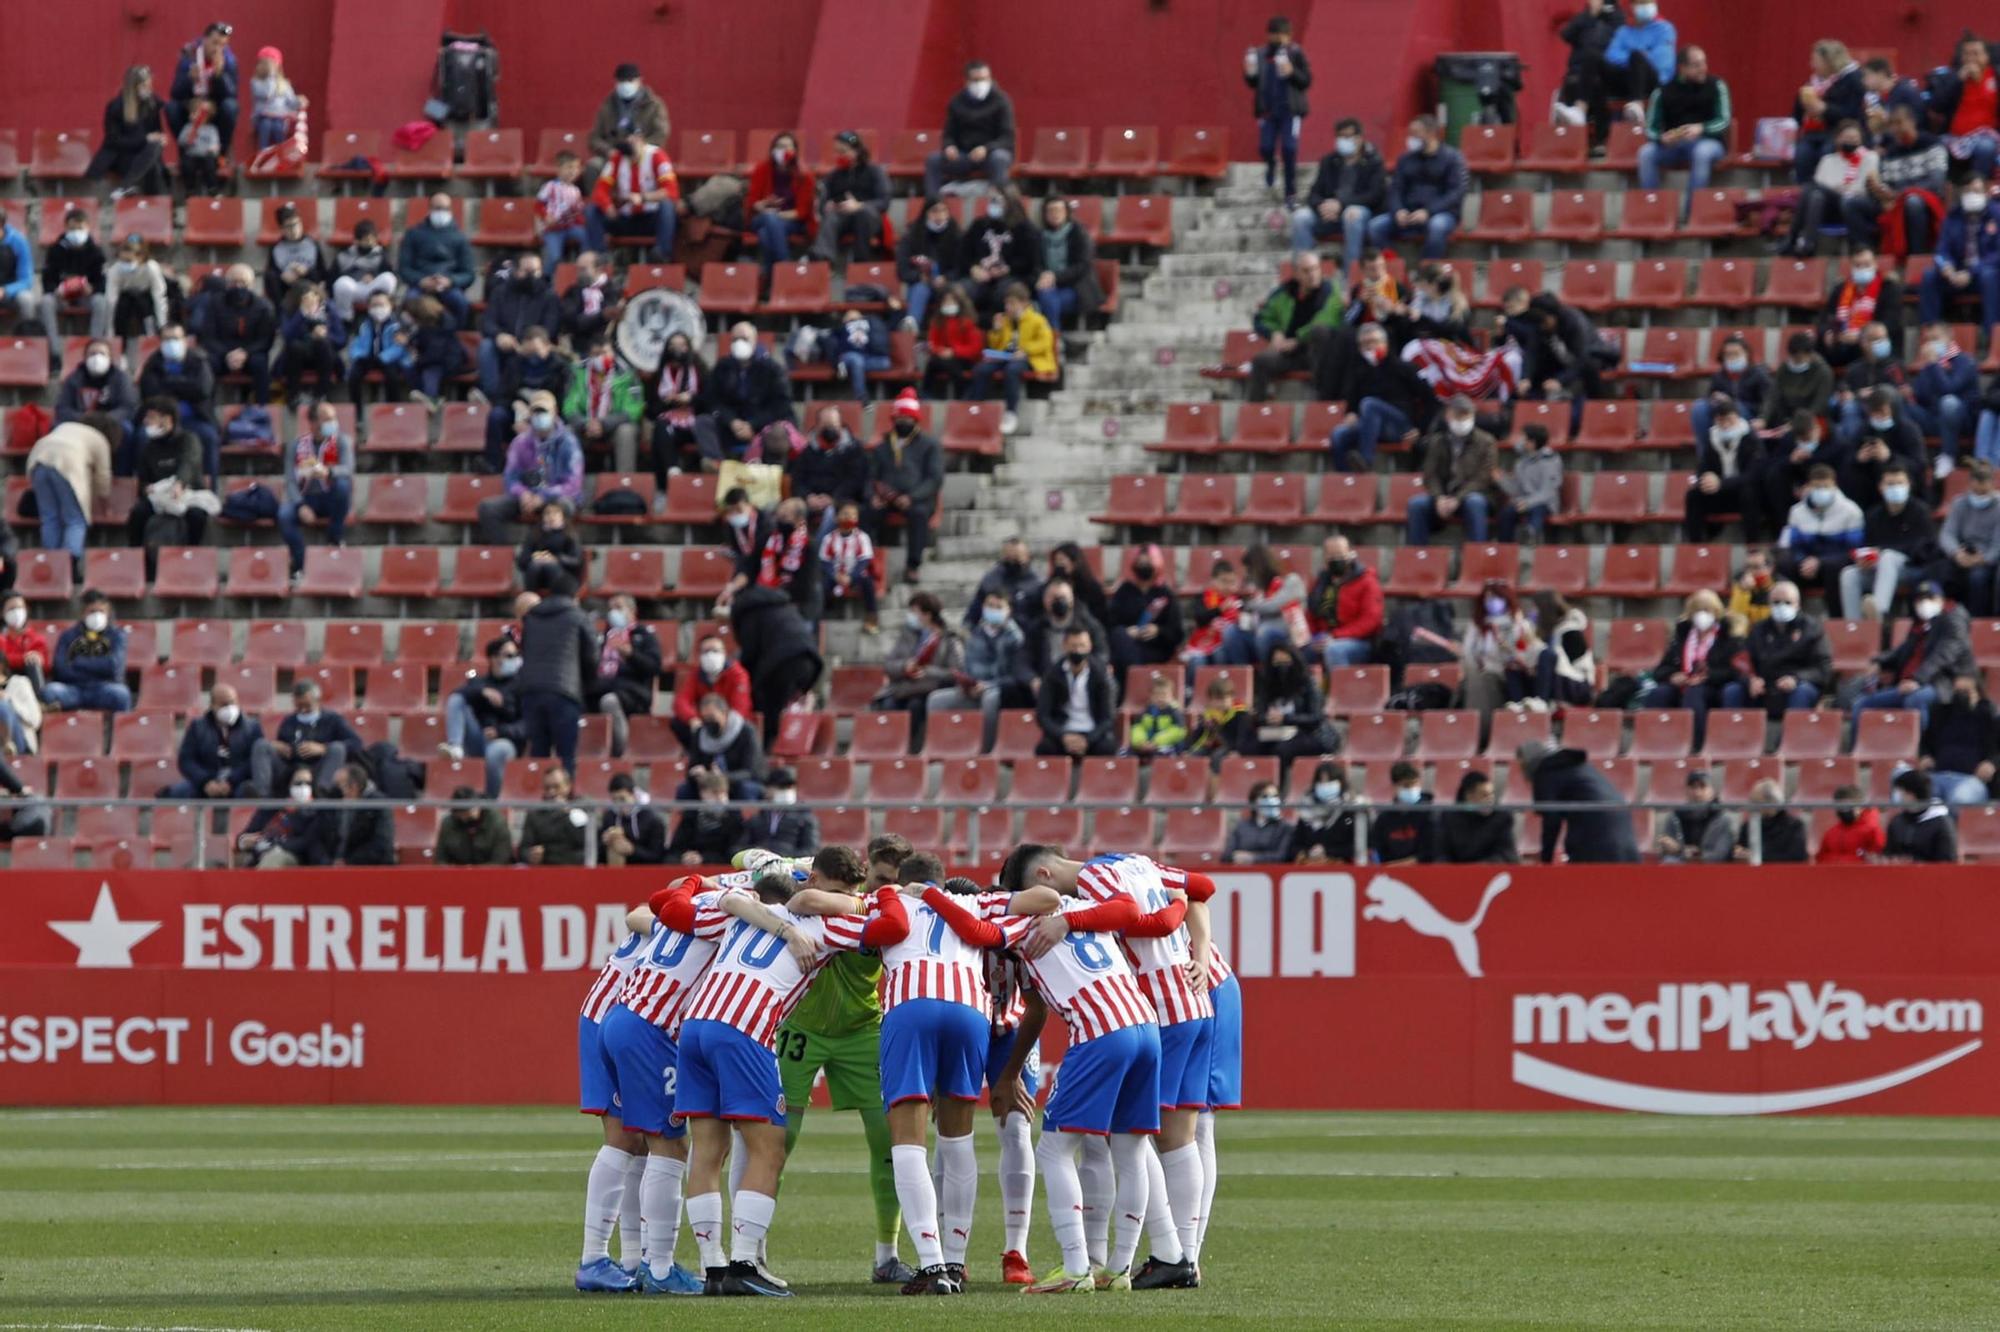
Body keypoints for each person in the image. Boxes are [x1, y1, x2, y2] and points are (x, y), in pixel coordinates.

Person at [1851, 582, 1972, 730]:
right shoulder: (1920, 625)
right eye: (1919, 599)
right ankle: (1856, 751)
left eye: (1929, 598)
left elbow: (1942, 656)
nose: (1923, 603)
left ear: (1941, 600)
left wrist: (1917, 680)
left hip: (1938, 683)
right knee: (1861, 703)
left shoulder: (1953, 621)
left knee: (1915, 699)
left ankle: (1919, 750)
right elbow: (1903, 650)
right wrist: (1879, 662)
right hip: (1906, 684)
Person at [926, 589, 1033, 751]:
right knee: (936, 700)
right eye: (990, 605)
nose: (993, 610)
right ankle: (939, 748)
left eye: (998, 607)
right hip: (973, 688)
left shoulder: (1016, 638)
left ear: (1008, 610)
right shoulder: (974, 634)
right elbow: (968, 667)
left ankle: (986, 749)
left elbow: (1016, 675)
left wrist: (988, 685)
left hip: (998, 689)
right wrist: (967, 684)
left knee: (990, 699)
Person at [517, 565, 597, 774]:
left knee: (538, 754)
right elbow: (592, 656)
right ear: (574, 594)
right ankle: (564, 801)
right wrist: (589, 686)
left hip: (531, 692)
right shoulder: (578, 616)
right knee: (566, 756)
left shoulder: (531, 617)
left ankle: (537, 803)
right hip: (564, 691)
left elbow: (524, 649)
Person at [1637, 45, 1731, 218]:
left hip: (1710, 142)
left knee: (1701, 152)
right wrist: (1662, 138)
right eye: (1696, 65)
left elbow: (1725, 121)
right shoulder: (1662, 92)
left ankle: (1691, 214)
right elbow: (1650, 129)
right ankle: (1653, 213)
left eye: (1704, 63)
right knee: (1646, 153)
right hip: (1675, 145)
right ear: (1683, 68)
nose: (1703, 68)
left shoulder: (1717, 85)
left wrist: (1702, 128)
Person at [479, 390, 584, 545]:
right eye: (536, 412)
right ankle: (504, 557)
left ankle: (551, 556)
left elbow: (573, 484)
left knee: (563, 507)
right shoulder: (520, 442)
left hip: (556, 496)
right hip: (528, 496)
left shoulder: (568, 442)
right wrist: (523, 494)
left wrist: (543, 497)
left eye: (544, 411)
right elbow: (510, 477)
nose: (540, 416)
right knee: (488, 508)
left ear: (554, 412)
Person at [1325, 321, 1434, 469]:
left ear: (1385, 343)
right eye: (1364, 344)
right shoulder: (1358, 372)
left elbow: (1430, 399)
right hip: (1371, 426)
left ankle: (1366, 460)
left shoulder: (1403, 367)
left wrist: (1420, 429)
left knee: (1369, 404)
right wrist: (1350, 413)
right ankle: (1347, 480)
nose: (1369, 347)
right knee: (1339, 434)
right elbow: (1352, 401)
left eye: (1374, 342)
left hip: (1398, 425)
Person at [728, 584, 824, 747]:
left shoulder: (749, 614)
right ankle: (792, 743)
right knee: (788, 704)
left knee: (768, 710)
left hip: (783, 664)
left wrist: (744, 681)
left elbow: (750, 653)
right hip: (810, 662)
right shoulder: (782, 606)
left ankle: (766, 750)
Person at [1836, 464, 1934, 619]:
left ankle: (1878, 613)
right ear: (1880, 487)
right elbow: (1867, 545)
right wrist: (1864, 558)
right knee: (1849, 574)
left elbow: (1923, 548)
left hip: (1910, 568)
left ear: (1909, 485)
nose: (1895, 488)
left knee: (1888, 556)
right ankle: (1853, 625)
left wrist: (1881, 551)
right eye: (1890, 484)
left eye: (1899, 483)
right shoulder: (1873, 514)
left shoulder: (1920, 511)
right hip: (1878, 569)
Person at [866, 389, 943, 584]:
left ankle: (913, 566)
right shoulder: (882, 446)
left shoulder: (930, 445)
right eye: (899, 418)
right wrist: (872, 496)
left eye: (908, 418)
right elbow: (870, 477)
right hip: (886, 497)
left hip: (917, 499)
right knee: (866, 512)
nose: (903, 422)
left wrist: (912, 497)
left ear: (916, 420)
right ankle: (868, 562)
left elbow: (934, 479)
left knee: (919, 514)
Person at [1519, 738, 1639, 864]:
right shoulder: (1576, 766)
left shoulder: (1546, 772)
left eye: (1522, 766)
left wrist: (1545, 860)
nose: (1523, 774)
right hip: (1622, 833)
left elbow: (1551, 820)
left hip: (1595, 834)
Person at [1246, 250, 1342, 403]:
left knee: (1320, 332)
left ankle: (1321, 401)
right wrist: (1274, 333)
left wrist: (1298, 339)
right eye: (1306, 271)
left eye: (1316, 269)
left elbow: (1327, 319)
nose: (1312, 274)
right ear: (1297, 274)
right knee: (1261, 361)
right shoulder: (1284, 292)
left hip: (1317, 353)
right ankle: (1255, 413)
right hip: (1290, 354)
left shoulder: (1330, 290)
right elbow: (1261, 317)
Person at [694, 322, 792, 471]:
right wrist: (731, 421)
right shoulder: (723, 367)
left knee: (778, 431)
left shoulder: (772, 369)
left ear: (754, 340)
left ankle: (770, 473)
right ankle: (717, 466)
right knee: (703, 422)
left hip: (761, 426)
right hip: (731, 426)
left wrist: (752, 424)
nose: (739, 343)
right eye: (735, 339)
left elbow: (781, 405)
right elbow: (712, 399)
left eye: (744, 338)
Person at [1725, 579, 1831, 715]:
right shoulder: (1758, 629)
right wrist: (1750, 680)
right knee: (1732, 690)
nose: (1781, 606)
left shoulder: (1812, 629)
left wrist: (1795, 678)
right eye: (1776, 602)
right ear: (1769, 604)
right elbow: (1742, 662)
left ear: (1797, 605)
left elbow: (1823, 669)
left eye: (1787, 602)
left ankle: (1792, 735)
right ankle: (1733, 734)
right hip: (1765, 687)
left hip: (1797, 686)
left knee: (1802, 691)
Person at [1368, 116, 1467, 259]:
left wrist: (1428, 211)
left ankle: (1425, 273)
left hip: (1440, 213)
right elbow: (1395, 188)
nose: (1411, 138)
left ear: (1431, 133)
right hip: (1408, 213)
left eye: (1416, 133)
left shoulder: (1453, 158)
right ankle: (1394, 267)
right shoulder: (1405, 159)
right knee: (1375, 227)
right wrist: (1398, 210)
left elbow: (1456, 192)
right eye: (1410, 133)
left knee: (1437, 226)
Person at [1855, 103, 1949, 254]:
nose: (1895, 129)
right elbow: (1886, 183)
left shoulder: (1932, 144)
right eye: (1892, 124)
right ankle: (1865, 253)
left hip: (1925, 201)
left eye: (1899, 123)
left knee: (1912, 201)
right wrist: (1878, 190)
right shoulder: (1891, 152)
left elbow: (1936, 183)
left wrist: (1899, 195)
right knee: (1852, 202)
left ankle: (1917, 254)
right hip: (1894, 202)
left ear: (1912, 122)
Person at [1407, 394, 1501, 543]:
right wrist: (1438, 498)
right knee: (1417, 504)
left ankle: (1476, 555)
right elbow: (1430, 474)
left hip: (1472, 494)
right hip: (1444, 495)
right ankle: (1418, 556)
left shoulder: (1486, 442)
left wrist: (1458, 498)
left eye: (1466, 416)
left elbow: (1483, 477)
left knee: (1475, 503)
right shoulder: (1437, 441)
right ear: (1448, 415)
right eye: (1459, 416)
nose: (1463, 421)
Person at [125, 397, 209, 561]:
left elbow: (189, 464)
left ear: (168, 419)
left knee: (197, 516)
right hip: (159, 499)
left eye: (152, 417)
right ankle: (138, 558)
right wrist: (147, 489)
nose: (146, 422)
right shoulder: (148, 448)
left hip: (187, 495)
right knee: (138, 513)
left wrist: (179, 484)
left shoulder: (188, 440)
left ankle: (191, 556)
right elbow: (143, 479)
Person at [1291, 117, 1387, 262]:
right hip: (1329, 214)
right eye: (1340, 137)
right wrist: (1323, 206)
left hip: (1359, 212)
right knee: (1300, 217)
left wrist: (1341, 204)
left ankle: (1351, 275)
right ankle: (1305, 268)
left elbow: (1375, 195)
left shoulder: (1374, 161)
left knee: (1351, 214)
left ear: (1359, 139)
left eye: (1348, 137)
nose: (1343, 140)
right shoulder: (1329, 161)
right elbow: (1315, 193)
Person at [26, 418, 113, 575]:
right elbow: (103, 476)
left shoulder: (66, 425)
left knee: (49, 518)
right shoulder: (100, 440)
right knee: (75, 520)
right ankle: (69, 564)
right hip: (67, 464)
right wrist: (105, 505)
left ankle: (51, 561)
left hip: (38, 460)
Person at [440, 636, 525, 797]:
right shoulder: (479, 681)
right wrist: (482, 692)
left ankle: (491, 799)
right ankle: (456, 747)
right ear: (494, 658)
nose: (513, 660)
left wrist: (500, 731)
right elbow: (458, 695)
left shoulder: (522, 686)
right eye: (508, 655)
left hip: (504, 741)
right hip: (479, 738)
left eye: (514, 655)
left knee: (496, 752)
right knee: (457, 699)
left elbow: (528, 725)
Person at [249, 678, 360, 797]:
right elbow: (282, 747)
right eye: (299, 706)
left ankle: (323, 794)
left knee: (337, 748)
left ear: (318, 701)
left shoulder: (333, 720)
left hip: (319, 769)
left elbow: (356, 743)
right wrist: (277, 746)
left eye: (307, 705)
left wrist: (323, 748)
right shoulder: (289, 721)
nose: (303, 710)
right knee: (261, 745)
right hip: (291, 770)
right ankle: (262, 795)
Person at [1243, 16, 1313, 204]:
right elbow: (1252, 82)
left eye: (1283, 36)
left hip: (1290, 111)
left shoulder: (1296, 53)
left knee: (1289, 149)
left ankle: (1290, 191)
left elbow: (1306, 81)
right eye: (1275, 36)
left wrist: (1291, 72)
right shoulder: (1260, 54)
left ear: (1289, 36)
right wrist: (1249, 72)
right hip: (1267, 110)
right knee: (1265, 147)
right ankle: (1271, 165)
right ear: (1269, 36)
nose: (1280, 40)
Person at [875, 593, 962, 742]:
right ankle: (888, 746)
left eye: (914, 612)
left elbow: (955, 672)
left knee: (915, 706)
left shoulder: (949, 639)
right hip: (902, 688)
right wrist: (905, 666)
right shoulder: (907, 636)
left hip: (929, 689)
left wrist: (928, 671)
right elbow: (889, 664)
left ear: (928, 615)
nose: (910, 616)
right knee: (888, 703)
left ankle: (906, 747)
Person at [479, 253, 563, 407]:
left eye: (535, 271)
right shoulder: (500, 292)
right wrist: (499, 335)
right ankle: (490, 397)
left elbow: (550, 328)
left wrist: (529, 342)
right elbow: (487, 322)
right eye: (527, 271)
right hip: (506, 344)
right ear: (516, 271)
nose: (532, 276)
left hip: (533, 345)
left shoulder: (549, 295)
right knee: (486, 346)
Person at [969, 283, 1054, 434]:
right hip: (1006, 356)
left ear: (1024, 303)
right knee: (982, 370)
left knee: (1012, 370)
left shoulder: (1037, 320)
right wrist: (996, 330)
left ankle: (1011, 412)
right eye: (1007, 303)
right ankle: (976, 408)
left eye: (1012, 303)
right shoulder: (1005, 321)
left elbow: (1045, 342)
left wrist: (1025, 350)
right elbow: (996, 344)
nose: (1008, 307)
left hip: (1029, 359)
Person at [1916, 178, 2000, 330]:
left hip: (1982, 273)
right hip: (1956, 274)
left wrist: (1971, 272)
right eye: (1968, 191)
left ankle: (1992, 335)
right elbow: (1942, 249)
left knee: (1990, 276)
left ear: (1986, 193)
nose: (1972, 195)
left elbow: (1996, 255)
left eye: (1977, 191)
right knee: (1929, 277)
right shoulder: (1953, 216)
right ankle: (1930, 332)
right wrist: (1947, 267)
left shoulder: (1996, 214)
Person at [587, 130, 680, 263]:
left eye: (632, 141)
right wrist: (608, 206)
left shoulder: (657, 156)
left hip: (651, 217)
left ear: (640, 139)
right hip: (626, 217)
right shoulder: (618, 158)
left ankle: (662, 254)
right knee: (593, 209)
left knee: (667, 206)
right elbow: (600, 190)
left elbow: (671, 191)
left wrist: (643, 197)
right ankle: (599, 256)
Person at [1682, 398, 1767, 542]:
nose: (1726, 425)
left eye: (1729, 420)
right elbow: (1703, 465)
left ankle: (1753, 545)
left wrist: (1721, 483)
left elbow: (1753, 475)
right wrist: (1705, 478)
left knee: (1749, 493)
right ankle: (1695, 545)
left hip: (1742, 492)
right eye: (1721, 421)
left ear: (1737, 418)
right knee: (1693, 495)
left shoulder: (1751, 439)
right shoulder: (1711, 437)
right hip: (1719, 491)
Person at [924, 61, 1016, 195]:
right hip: (964, 155)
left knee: (1000, 158)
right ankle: (932, 203)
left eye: (985, 79)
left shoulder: (1001, 100)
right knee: (933, 160)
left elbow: (1007, 137)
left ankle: (998, 206)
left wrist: (986, 148)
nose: (980, 84)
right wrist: (949, 146)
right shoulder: (956, 101)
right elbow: (948, 134)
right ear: (967, 81)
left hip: (991, 155)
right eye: (976, 80)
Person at [588, 595, 662, 760]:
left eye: (619, 607)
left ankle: (620, 753)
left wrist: (630, 654)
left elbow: (653, 667)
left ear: (632, 611)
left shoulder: (643, 635)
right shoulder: (602, 637)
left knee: (609, 701)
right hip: (600, 687)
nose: (614, 612)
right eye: (611, 608)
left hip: (631, 691)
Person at [1777, 464, 1864, 602]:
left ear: (1834, 485)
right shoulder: (1796, 512)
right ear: (1809, 486)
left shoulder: (1851, 511)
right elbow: (1793, 545)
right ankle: (1793, 609)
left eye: (1826, 486)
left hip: (1835, 563)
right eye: (1817, 487)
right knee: (1785, 564)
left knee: (1835, 568)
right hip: (1807, 564)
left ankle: (1836, 618)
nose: (1821, 490)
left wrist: (1821, 562)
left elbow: (1853, 549)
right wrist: (1804, 561)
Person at [193, 264, 276, 406]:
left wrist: (245, 353)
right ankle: (206, 407)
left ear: (252, 284)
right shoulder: (214, 304)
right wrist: (227, 354)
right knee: (208, 364)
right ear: (227, 283)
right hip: (222, 352)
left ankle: (263, 408)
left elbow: (265, 339)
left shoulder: (264, 306)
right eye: (234, 282)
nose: (238, 286)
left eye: (243, 282)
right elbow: (208, 336)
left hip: (251, 352)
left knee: (260, 363)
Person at [160, 683, 260, 799]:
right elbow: (186, 760)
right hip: (205, 781)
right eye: (223, 705)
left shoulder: (252, 727)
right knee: (177, 793)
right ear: (212, 705)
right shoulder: (197, 727)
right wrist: (205, 782)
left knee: (250, 792)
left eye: (232, 703)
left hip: (238, 782)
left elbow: (254, 761)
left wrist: (231, 781)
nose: (229, 708)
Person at [45, 588, 134, 716]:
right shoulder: (68, 636)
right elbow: (61, 669)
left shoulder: (117, 636)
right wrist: (98, 666)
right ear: (83, 613)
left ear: (108, 613)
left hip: (103, 689)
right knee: (51, 691)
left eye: (101, 611)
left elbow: (114, 667)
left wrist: (78, 662)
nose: (97, 615)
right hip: (73, 689)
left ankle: (119, 735)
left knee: (121, 694)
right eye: (92, 611)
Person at [1459, 580, 1540, 717]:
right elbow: (1468, 652)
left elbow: (1527, 652)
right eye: (1488, 598)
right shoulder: (1478, 625)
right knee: (1479, 681)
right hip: (1489, 672)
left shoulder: (1519, 624)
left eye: (1497, 598)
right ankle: (1480, 726)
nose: (1492, 602)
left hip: (1515, 673)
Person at [1907, 323, 1979, 476]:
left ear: (1949, 337)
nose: (1932, 343)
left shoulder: (1965, 362)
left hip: (1961, 420)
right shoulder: (1930, 365)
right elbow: (1921, 396)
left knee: (1949, 402)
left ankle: (1948, 456)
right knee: (1902, 405)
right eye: (1929, 340)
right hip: (1934, 419)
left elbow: (1949, 389)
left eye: (1936, 338)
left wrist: (1933, 365)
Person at [563, 335, 644, 472]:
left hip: (615, 426)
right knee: (566, 431)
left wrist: (604, 423)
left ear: (613, 353)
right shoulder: (577, 372)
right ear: (589, 355)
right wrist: (584, 423)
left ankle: (625, 483)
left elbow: (634, 409)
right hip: (586, 426)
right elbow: (569, 405)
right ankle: (567, 482)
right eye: (596, 354)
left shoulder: (627, 374)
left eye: (605, 353)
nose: (601, 357)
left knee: (626, 432)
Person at [86, 65, 170, 197]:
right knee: (154, 166)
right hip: (122, 156)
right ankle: (158, 205)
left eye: (149, 86)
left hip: (145, 155)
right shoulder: (116, 107)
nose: (148, 90)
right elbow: (113, 141)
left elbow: (157, 131)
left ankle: (126, 187)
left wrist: (160, 138)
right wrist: (145, 139)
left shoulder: (151, 105)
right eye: (144, 86)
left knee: (155, 153)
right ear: (134, 87)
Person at [1931, 459, 2000, 614]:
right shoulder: (1959, 503)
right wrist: (1956, 553)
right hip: (1961, 554)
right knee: (1940, 572)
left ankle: (1977, 620)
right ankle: (1941, 617)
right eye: (1977, 492)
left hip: (1988, 558)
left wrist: (1984, 559)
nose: (1980, 496)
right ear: (1970, 484)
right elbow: (1947, 534)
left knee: (1978, 578)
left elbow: (1998, 543)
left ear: (1992, 485)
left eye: (1984, 492)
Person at [1035, 625, 1115, 758]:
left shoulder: (1100, 675)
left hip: (1092, 733)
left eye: (1082, 645)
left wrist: (1087, 740)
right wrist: (1063, 736)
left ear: (1089, 646)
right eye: (1074, 646)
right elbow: (1043, 716)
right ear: (1064, 646)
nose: (1078, 650)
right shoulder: (1052, 674)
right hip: (1063, 732)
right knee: (1045, 748)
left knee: (1107, 748)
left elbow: (1108, 718)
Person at [962, 187, 1042, 319]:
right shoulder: (979, 225)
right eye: (991, 201)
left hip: (1014, 275)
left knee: (1002, 294)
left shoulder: (1025, 228)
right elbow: (964, 253)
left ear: (1009, 202)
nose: (993, 204)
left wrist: (1007, 269)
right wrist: (973, 268)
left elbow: (1030, 261)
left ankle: (998, 329)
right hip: (982, 275)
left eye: (997, 201)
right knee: (960, 291)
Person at [1920, 674, 2000, 806]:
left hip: (1971, 780)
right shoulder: (1941, 715)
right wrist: (1924, 756)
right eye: (1957, 691)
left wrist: (1992, 763)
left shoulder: (1990, 718)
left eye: (1966, 691)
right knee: (1918, 795)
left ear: (1978, 694)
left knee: (1958, 800)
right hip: (1938, 775)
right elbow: (1925, 743)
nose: (1961, 696)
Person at [811, 131, 890, 264]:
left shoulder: (874, 171)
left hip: (868, 216)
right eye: (836, 151)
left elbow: (884, 202)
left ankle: (861, 262)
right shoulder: (835, 175)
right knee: (831, 216)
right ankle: (822, 259)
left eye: (843, 151)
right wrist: (828, 205)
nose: (839, 156)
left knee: (862, 214)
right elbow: (823, 201)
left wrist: (859, 205)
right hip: (842, 216)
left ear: (857, 151)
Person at [1931, 35, 2000, 181]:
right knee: (1934, 147)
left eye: (1976, 53)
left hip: (1988, 136)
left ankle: (1978, 189)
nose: (1971, 58)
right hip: (1955, 137)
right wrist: (1957, 81)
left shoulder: (1995, 77)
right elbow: (1937, 106)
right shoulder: (1952, 78)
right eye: (1967, 54)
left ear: (1987, 56)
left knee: (1985, 147)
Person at [1106, 545, 1185, 671]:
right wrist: (1128, 632)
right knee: (1119, 638)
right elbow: (1111, 623)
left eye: (1147, 562)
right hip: (1127, 644)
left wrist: (1158, 631)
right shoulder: (1124, 591)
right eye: (1140, 562)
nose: (1143, 566)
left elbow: (1177, 633)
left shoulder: (1165, 594)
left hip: (1156, 649)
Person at [398, 194, 476, 319]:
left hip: (449, 286)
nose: (441, 212)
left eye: (444, 208)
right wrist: (421, 281)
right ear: (429, 210)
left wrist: (450, 281)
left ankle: (451, 336)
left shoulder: (460, 237)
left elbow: (469, 274)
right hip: (420, 285)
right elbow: (404, 269)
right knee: (410, 301)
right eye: (437, 208)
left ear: (450, 210)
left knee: (461, 303)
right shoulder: (413, 234)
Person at [743, 131, 815, 266]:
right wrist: (763, 204)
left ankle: (769, 278)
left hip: (792, 221)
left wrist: (776, 215)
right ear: (773, 150)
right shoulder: (762, 169)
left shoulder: (805, 175)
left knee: (766, 233)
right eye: (780, 147)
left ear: (795, 151)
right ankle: (785, 266)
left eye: (788, 147)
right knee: (769, 218)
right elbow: (752, 202)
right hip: (761, 218)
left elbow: (801, 212)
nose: (784, 150)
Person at [1690, 333, 1773, 451]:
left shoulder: (1759, 375)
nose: (1732, 358)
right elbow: (1709, 397)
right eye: (1728, 354)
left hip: (1750, 414)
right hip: (1723, 413)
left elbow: (1769, 400)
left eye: (1736, 354)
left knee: (1736, 407)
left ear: (1746, 354)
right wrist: (1715, 398)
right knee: (1699, 407)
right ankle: (1706, 456)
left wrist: (1763, 418)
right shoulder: (1719, 376)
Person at [166, 21, 238, 157]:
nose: (218, 49)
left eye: (223, 45)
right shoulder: (189, 57)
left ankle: (221, 154)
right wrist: (189, 79)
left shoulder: (229, 61)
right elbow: (175, 93)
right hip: (192, 107)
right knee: (171, 108)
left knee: (230, 107)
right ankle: (186, 150)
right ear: (204, 40)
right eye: (214, 43)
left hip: (215, 108)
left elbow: (232, 94)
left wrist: (219, 76)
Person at [1031, 196, 1102, 332]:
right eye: (1050, 211)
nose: (1055, 214)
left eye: (1058, 210)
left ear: (1067, 212)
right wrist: (1043, 276)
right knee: (1042, 298)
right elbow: (1036, 265)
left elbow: (1082, 266)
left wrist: (1055, 277)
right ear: (1045, 214)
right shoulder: (1039, 236)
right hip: (1048, 286)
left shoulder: (1079, 234)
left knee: (1046, 301)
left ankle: (1053, 338)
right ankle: (1053, 339)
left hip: (1076, 287)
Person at [38, 206, 109, 340]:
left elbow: (102, 281)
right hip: (61, 297)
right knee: (46, 302)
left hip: (85, 296)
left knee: (101, 302)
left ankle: (96, 342)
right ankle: (54, 349)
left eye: (80, 228)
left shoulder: (96, 252)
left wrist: (92, 289)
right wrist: (55, 289)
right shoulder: (55, 250)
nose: (76, 232)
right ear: (65, 228)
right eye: (72, 229)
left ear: (87, 227)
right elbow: (47, 279)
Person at [1251, 644, 1332, 761]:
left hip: (1310, 734)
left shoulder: (1308, 684)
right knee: (1253, 747)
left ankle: (1278, 779)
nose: (1281, 667)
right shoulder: (1267, 685)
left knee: (1281, 750)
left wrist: (1285, 718)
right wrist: (1267, 718)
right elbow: (1260, 714)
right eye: (1277, 663)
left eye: (1286, 662)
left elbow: (1316, 718)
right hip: (1277, 732)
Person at [236, 769, 331, 869]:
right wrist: (243, 841)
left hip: (290, 855)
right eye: (298, 783)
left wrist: (275, 845)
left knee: (274, 859)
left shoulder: (315, 811)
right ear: (288, 784)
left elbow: (305, 841)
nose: (303, 787)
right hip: (260, 855)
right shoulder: (271, 806)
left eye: (308, 783)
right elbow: (246, 834)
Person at [671, 635, 751, 754]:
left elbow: (741, 706)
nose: (711, 655)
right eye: (706, 651)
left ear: (724, 653)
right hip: (705, 720)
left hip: (729, 721)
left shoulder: (738, 675)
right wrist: (692, 718)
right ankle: (696, 754)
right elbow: (681, 701)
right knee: (677, 722)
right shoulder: (696, 675)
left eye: (715, 650)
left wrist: (723, 719)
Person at [897, 196, 965, 333]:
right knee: (920, 288)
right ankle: (911, 326)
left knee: (954, 290)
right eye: (935, 211)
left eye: (943, 211)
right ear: (926, 213)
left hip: (947, 284)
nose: (939, 216)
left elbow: (962, 267)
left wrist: (946, 278)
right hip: (921, 283)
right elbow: (902, 270)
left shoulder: (957, 234)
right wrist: (919, 276)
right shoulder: (912, 234)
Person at [274, 283, 345, 406]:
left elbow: (341, 340)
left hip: (323, 357)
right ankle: (293, 395)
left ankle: (320, 394)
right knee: (295, 346)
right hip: (297, 356)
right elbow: (287, 336)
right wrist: (302, 313)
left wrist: (325, 335)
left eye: (314, 297)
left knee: (323, 344)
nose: (311, 301)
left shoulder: (329, 311)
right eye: (305, 299)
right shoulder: (289, 311)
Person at [590, 62, 669, 165]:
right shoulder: (607, 106)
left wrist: (641, 147)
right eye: (622, 81)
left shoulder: (654, 105)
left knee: (657, 165)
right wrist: (608, 150)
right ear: (616, 82)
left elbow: (661, 134)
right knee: (594, 166)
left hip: (644, 156)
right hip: (613, 155)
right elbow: (594, 138)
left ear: (639, 81)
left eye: (630, 80)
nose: (625, 84)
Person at [344, 289, 413, 406]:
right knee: (354, 374)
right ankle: (357, 411)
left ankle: (392, 408)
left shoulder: (398, 324)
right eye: (374, 305)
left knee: (392, 375)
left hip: (389, 359)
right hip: (367, 358)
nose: (378, 308)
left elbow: (400, 347)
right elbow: (355, 343)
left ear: (390, 305)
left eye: (381, 304)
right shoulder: (363, 324)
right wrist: (359, 355)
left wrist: (383, 357)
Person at [1654, 768, 1736, 863]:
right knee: (1669, 861)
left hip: (1712, 872)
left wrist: (1681, 851)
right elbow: (1665, 853)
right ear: (1686, 790)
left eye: (1702, 787)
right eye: (1693, 787)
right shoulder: (1674, 817)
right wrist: (1665, 847)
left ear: (1712, 791)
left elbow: (1719, 856)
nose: (1697, 793)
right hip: (1682, 868)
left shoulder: (1723, 820)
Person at [738, 767, 819, 859]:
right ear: (768, 790)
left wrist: (782, 857)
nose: (786, 791)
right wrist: (755, 853)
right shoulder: (757, 817)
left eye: (789, 787)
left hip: (791, 868)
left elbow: (811, 850)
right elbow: (739, 847)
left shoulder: (805, 818)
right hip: (759, 866)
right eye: (780, 787)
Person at [1290, 760, 1362, 862]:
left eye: (1329, 781)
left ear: (1340, 783)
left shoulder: (1350, 812)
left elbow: (1357, 848)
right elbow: (1294, 846)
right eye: (1321, 781)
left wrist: (1327, 852)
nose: (1325, 786)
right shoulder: (1306, 811)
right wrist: (1308, 852)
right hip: (1309, 867)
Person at [1501, 423, 1563, 542]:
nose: (1520, 441)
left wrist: (1528, 503)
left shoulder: (1550, 461)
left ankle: (1531, 535)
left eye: (1523, 438)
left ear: (1532, 443)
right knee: (1507, 513)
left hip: (1545, 503)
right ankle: (1505, 546)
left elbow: (1548, 492)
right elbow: (1517, 489)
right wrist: (1501, 480)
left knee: (1537, 510)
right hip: (1524, 501)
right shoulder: (1521, 462)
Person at [324, 763, 395, 867]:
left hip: (369, 869)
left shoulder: (379, 805)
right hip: (333, 866)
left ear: (353, 787)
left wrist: (348, 862)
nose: (334, 789)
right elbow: (319, 836)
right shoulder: (333, 802)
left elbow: (381, 844)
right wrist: (327, 862)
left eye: (338, 785)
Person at [1440, 770, 1517, 863]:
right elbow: (1441, 855)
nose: (1490, 799)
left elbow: (1507, 854)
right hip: (1457, 874)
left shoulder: (1502, 817)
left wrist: (1479, 868)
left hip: (1491, 872)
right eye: (1484, 795)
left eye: (1491, 794)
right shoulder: (1448, 818)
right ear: (1469, 796)